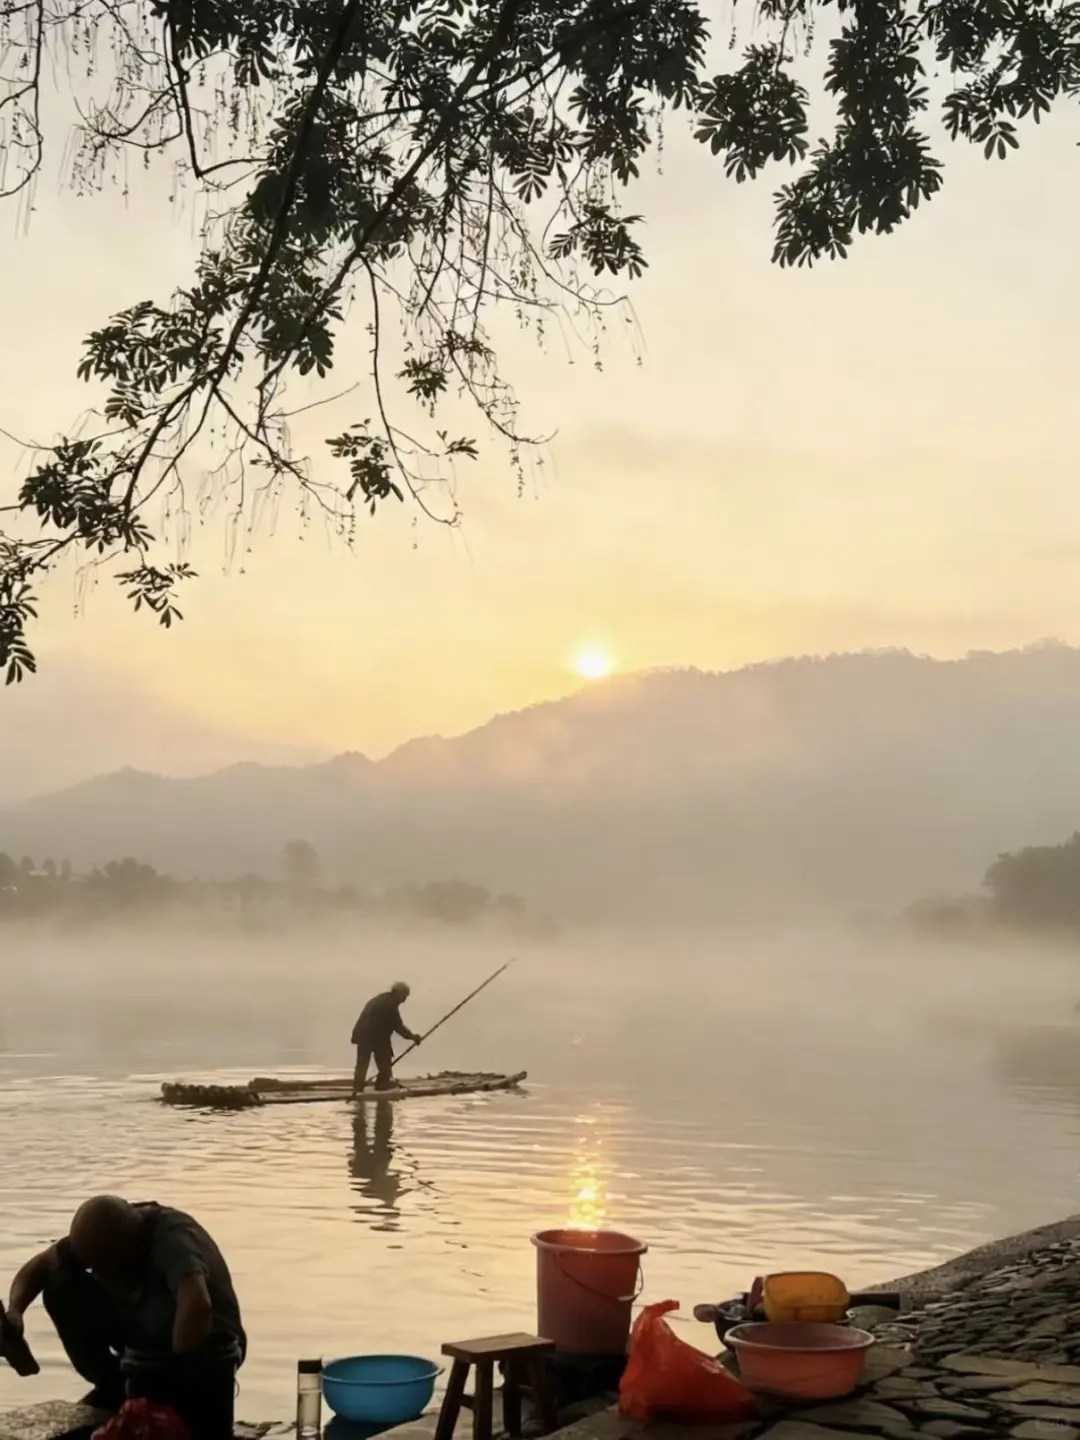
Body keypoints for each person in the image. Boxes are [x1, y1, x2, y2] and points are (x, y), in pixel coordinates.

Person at [3, 1196, 245, 1440]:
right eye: (94, 1266)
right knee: (60, 1283)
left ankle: (154, 1391)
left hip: (207, 1348)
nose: (100, 1271)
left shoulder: (172, 1238)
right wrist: (15, 1312)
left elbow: (197, 1305)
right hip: (146, 1339)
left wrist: (174, 1383)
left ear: (130, 1245)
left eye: (107, 1264)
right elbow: (40, 1266)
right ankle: (113, 1385)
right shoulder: (96, 1237)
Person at [351, 981, 421, 1096]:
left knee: (363, 1062)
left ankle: (358, 1088)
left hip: (364, 1034)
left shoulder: (383, 999)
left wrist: (411, 1037)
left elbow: (395, 1025)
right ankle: (381, 1084)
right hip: (372, 1035)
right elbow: (398, 1026)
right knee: (383, 1058)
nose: (404, 1000)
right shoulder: (389, 1004)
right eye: (404, 996)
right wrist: (413, 1037)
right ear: (398, 993)